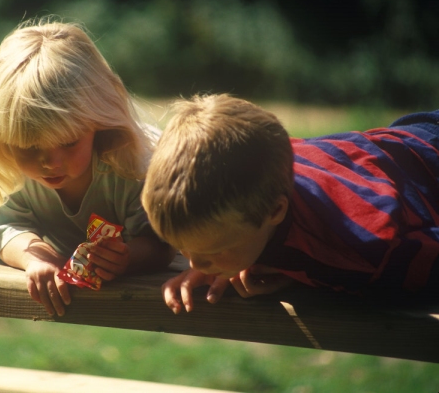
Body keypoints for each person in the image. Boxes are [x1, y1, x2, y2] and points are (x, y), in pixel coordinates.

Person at [141, 93, 439, 314]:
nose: (195, 263)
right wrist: (220, 258)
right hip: (403, 143)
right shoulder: (260, 164)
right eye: (183, 247)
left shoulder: (361, 249)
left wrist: (307, 274)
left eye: (213, 250)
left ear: (275, 211)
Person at [0, 18, 175, 317]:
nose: (50, 162)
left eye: (68, 143)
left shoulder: (134, 162)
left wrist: (127, 258)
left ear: (100, 123)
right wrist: (38, 259)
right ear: (3, 137)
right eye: (29, 148)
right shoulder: (5, 160)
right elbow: (0, 225)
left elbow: (162, 241)